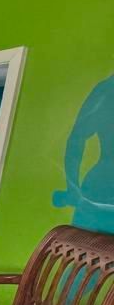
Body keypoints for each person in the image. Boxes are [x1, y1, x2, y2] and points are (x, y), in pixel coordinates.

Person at [53, 74, 114, 233]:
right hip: (101, 188)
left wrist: (72, 187)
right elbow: (76, 139)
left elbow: (76, 139)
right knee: (83, 244)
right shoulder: (106, 90)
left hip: (99, 186)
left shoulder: (105, 89)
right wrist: (73, 187)